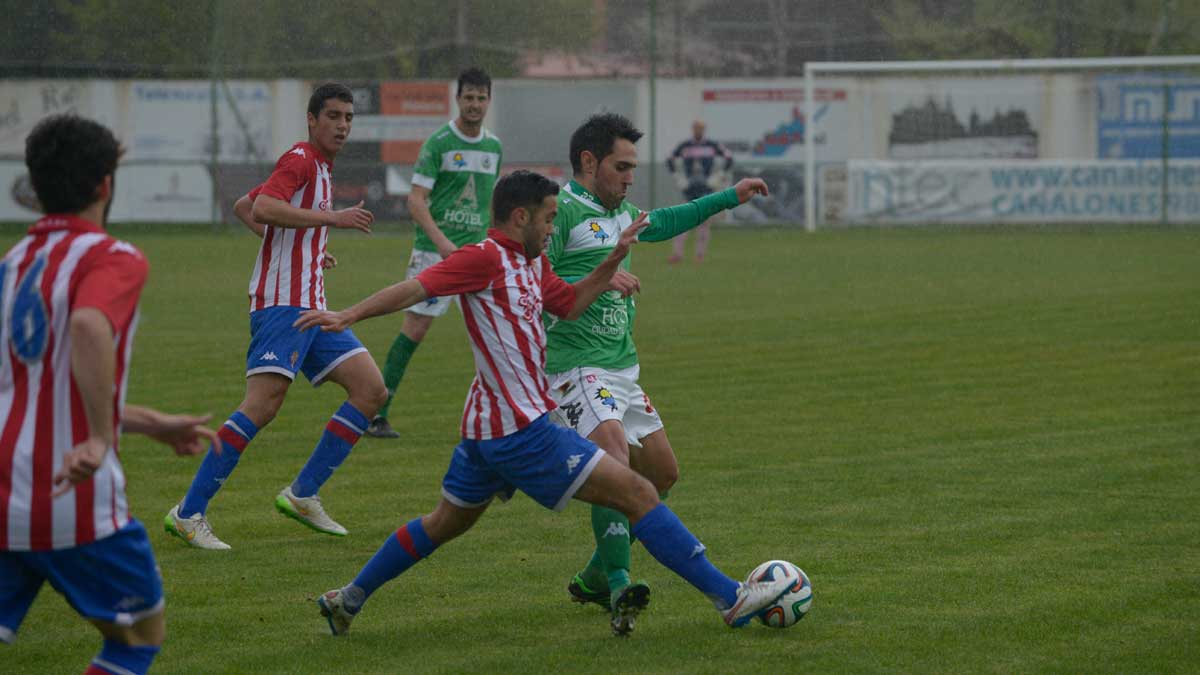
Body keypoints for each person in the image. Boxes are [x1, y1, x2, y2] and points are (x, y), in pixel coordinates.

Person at [295, 170, 793, 638]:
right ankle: (731, 598)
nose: (554, 226)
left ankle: (349, 600)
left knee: (443, 523)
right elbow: (416, 287)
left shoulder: (534, 262)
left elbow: (570, 304)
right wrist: (348, 315)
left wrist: (612, 261)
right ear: (520, 218)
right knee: (638, 493)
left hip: (486, 429)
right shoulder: (484, 258)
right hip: (521, 430)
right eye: (550, 218)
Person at [0, 114, 219, 675]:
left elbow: (36, 390)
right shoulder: (112, 257)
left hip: (2, 493)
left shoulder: (9, 267)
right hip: (70, 496)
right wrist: (99, 438)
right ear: (105, 184)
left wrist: (150, 423)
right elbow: (88, 328)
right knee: (136, 640)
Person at [546, 113, 767, 634]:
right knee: (617, 467)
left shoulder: (620, 214)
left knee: (662, 474)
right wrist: (601, 277)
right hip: (575, 365)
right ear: (588, 162)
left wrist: (729, 196)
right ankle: (621, 587)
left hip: (621, 367)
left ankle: (596, 574)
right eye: (621, 167)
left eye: (632, 168)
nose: (629, 177)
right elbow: (540, 281)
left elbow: (670, 219)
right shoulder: (560, 212)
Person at [163, 82, 386, 550]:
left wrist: (303, 249)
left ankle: (303, 494)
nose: (343, 125)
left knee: (370, 390)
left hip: (312, 305)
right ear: (312, 119)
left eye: (348, 117)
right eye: (333, 116)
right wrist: (332, 221)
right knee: (261, 406)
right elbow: (263, 206)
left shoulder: (321, 167)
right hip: (282, 305)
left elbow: (247, 207)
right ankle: (188, 513)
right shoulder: (301, 158)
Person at [366, 67, 502, 439]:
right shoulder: (439, 143)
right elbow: (415, 200)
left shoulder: (493, 147)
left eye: (481, 97)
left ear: (489, 101)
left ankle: (505, 418)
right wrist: (442, 241)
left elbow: (489, 205)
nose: (474, 104)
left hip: (478, 255)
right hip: (435, 253)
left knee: (496, 333)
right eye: (468, 97)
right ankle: (377, 413)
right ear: (457, 100)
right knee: (416, 328)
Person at [665, 119, 734, 263]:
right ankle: (677, 254)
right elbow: (670, 158)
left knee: (704, 222)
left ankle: (699, 255)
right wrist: (678, 177)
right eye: (696, 128)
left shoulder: (712, 145)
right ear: (692, 129)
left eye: (701, 128)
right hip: (690, 188)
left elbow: (729, 158)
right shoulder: (685, 145)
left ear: (704, 129)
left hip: (706, 188)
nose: (698, 131)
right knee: (683, 221)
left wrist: (719, 176)